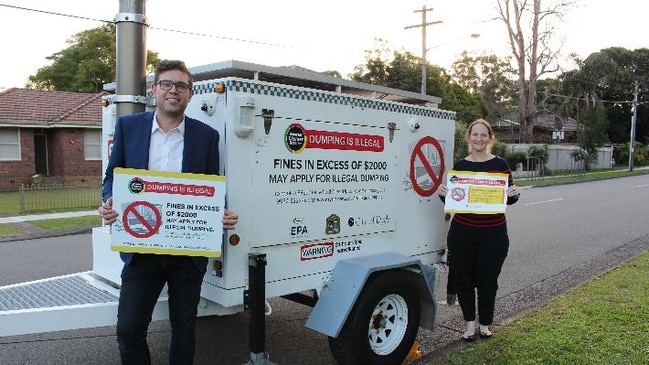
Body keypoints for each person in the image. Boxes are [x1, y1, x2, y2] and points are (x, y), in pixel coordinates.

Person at [97, 59, 239, 364]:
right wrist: (109, 201)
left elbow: (210, 187)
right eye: (166, 84)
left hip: (187, 254)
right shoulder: (128, 127)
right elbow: (113, 177)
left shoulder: (206, 136)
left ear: (190, 94)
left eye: (181, 86)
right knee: (129, 329)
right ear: (154, 90)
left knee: (184, 328)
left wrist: (220, 213)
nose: (173, 91)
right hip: (141, 249)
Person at [437, 118, 520, 342]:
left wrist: (514, 194)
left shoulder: (500, 165)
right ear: (469, 137)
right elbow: (454, 199)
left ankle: (485, 324)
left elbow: (509, 197)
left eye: (484, 135)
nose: (479, 139)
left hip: (493, 234)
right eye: (475, 135)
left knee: (487, 281)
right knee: (464, 280)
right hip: (462, 232)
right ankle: (469, 326)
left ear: (490, 138)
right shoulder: (460, 166)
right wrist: (443, 193)